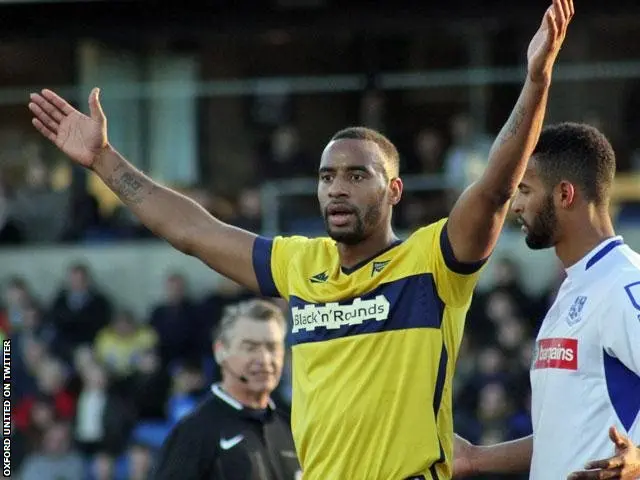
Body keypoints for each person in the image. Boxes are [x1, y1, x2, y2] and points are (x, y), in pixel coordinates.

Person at [27, 1, 573, 477]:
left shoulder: (432, 263)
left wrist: (536, 81)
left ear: (395, 190)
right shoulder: (298, 263)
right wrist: (103, 160)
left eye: (358, 176)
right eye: (327, 176)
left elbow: (495, 188)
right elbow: (192, 232)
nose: (337, 189)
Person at [453, 123, 640, 480]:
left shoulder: (625, 284)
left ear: (564, 195)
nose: (516, 205)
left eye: (524, 190)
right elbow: (564, 436)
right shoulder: (572, 289)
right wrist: (474, 459)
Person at [152, 298, 300, 479]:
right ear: (220, 351)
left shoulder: (292, 426)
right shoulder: (194, 433)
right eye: (250, 347)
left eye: (272, 347)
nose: (264, 359)